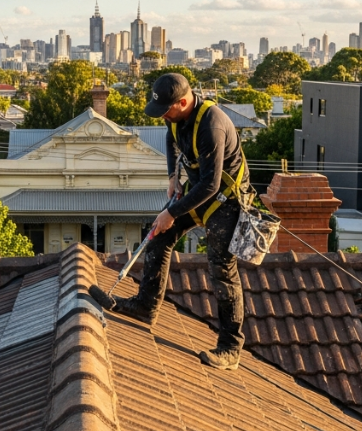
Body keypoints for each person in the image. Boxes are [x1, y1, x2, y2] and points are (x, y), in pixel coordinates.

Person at [90, 72, 252, 370]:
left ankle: (230, 347)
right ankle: (145, 306)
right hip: (199, 188)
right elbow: (171, 137)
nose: (163, 116)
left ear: (183, 102)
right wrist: (171, 176)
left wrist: (172, 213)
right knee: (159, 235)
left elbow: (211, 184)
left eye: (166, 110)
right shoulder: (175, 117)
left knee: (221, 267)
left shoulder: (212, 125)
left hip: (225, 198)